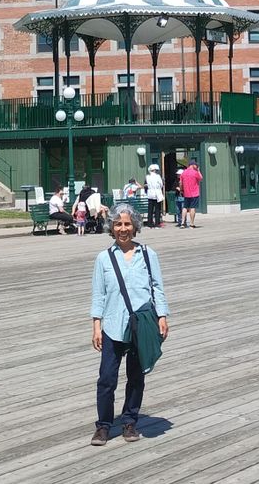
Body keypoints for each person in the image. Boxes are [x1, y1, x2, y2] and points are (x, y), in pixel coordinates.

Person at [88, 203, 169, 446]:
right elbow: (98, 294)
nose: (123, 228)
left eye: (127, 224)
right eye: (118, 224)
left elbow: (157, 287)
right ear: (110, 228)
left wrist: (162, 317)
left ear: (135, 226)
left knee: (136, 376)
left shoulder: (147, 254)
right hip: (113, 324)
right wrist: (96, 326)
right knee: (106, 378)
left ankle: (129, 421)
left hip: (141, 324)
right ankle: (103, 425)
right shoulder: (103, 258)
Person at [177, 159, 203, 228]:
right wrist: (198, 170)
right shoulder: (195, 172)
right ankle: (191, 223)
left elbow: (180, 183)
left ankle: (182, 223)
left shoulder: (184, 173)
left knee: (185, 207)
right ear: (193, 165)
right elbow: (201, 178)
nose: (196, 166)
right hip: (194, 193)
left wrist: (181, 190)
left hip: (186, 193)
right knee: (192, 208)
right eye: (196, 165)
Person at [144, 164, 164, 229]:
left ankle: (150, 223)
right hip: (157, 193)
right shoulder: (158, 176)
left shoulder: (147, 177)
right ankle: (157, 224)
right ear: (155, 170)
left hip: (150, 194)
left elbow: (145, 185)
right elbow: (161, 184)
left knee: (150, 210)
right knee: (157, 209)